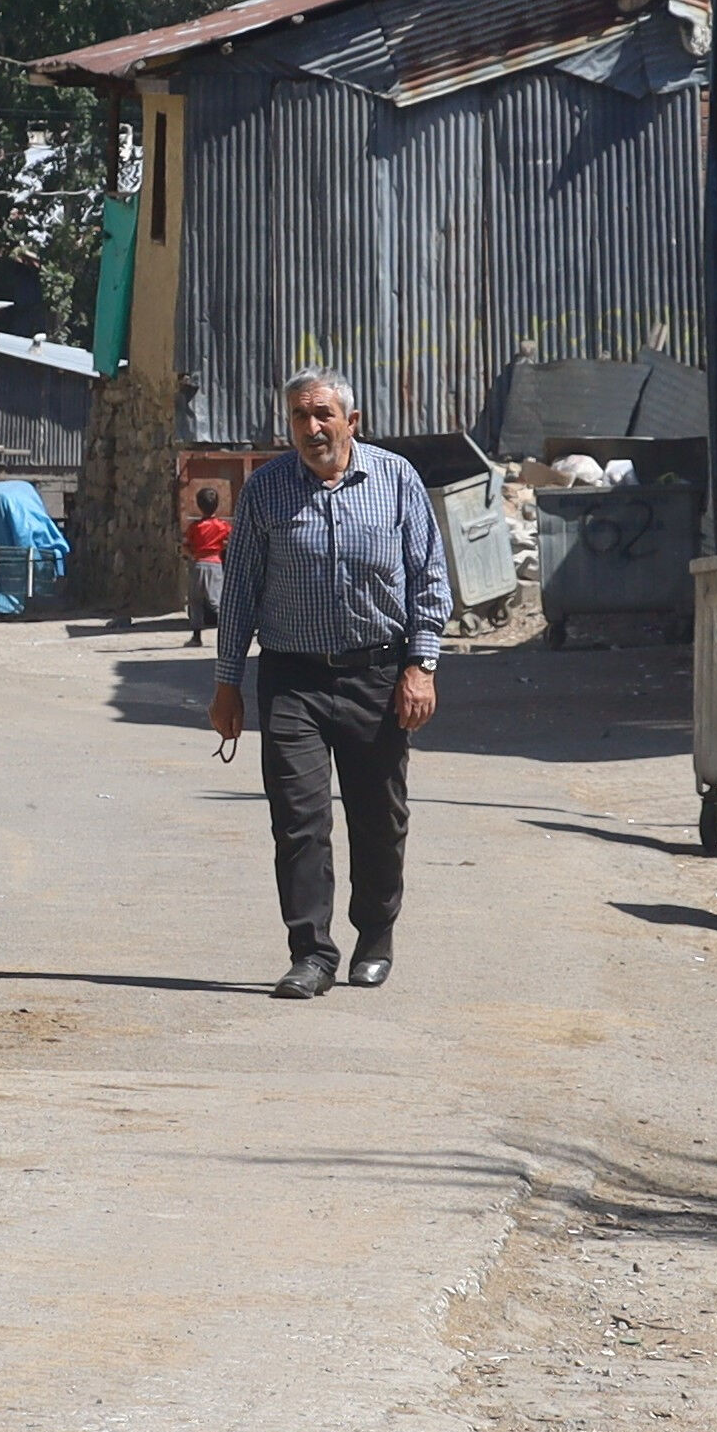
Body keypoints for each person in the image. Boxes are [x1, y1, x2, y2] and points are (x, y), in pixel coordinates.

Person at [208, 368, 451, 999]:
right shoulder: (265, 491)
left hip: (377, 673)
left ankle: (374, 934)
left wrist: (421, 666)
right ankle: (311, 953)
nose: (311, 428)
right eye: (298, 417)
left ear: (352, 421)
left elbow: (429, 579)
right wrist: (227, 681)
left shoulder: (396, 480)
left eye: (322, 414)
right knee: (299, 821)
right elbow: (239, 594)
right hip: (293, 680)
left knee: (380, 817)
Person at [181, 484, 233, 647]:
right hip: (215, 564)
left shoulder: (194, 527)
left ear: (198, 505)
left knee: (195, 601)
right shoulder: (222, 526)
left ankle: (196, 637)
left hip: (197, 564)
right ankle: (229, 634)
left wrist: (192, 555)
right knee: (216, 602)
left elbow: (185, 546)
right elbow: (231, 540)